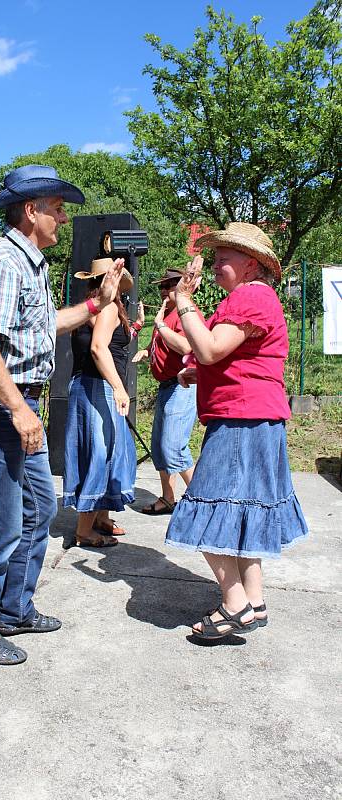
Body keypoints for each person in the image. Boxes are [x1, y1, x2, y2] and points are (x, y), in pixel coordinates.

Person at [0, 165, 125, 665]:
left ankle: (14, 608)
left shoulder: (32, 266)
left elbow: (45, 324)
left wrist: (99, 302)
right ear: (31, 210)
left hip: (18, 406)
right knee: (3, 523)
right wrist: (16, 408)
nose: (64, 217)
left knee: (40, 513)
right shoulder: (2, 261)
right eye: (57, 207)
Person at [165, 222, 308, 641]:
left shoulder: (251, 296)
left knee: (206, 508)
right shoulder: (255, 297)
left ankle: (234, 602)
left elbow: (208, 347)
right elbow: (223, 356)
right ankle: (254, 599)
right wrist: (199, 374)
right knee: (244, 509)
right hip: (255, 417)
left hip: (242, 420)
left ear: (251, 264)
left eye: (223, 259)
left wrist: (183, 299)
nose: (214, 267)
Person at [62, 259, 139, 547]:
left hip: (89, 385)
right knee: (101, 453)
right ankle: (84, 531)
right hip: (97, 386)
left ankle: (101, 517)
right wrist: (119, 388)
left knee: (110, 451)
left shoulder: (93, 308)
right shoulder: (105, 307)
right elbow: (98, 348)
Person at [132, 268, 202, 515]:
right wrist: (147, 352)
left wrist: (160, 325)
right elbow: (160, 344)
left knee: (173, 447)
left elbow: (185, 346)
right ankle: (168, 498)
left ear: (181, 287)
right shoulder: (168, 313)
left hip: (182, 387)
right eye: (161, 286)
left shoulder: (186, 314)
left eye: (169, 285)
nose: (163, 290)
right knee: (161, 448)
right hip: (167, 386)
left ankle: (201, 501)